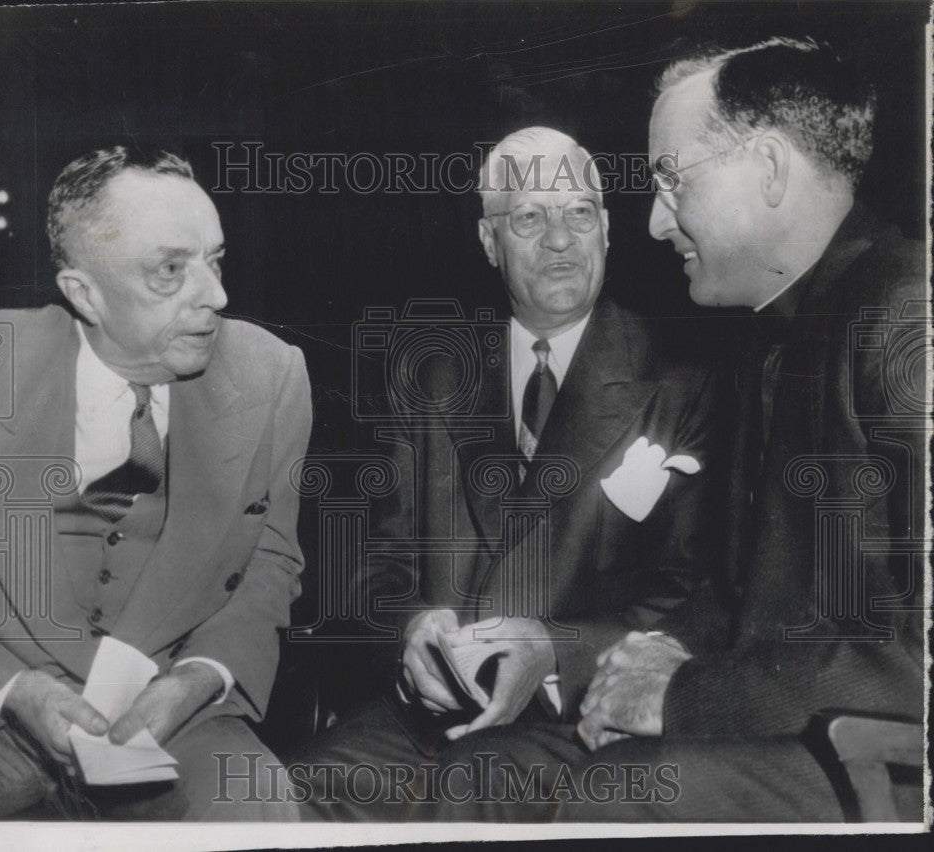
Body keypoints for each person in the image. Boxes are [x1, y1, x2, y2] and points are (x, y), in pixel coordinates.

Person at [438, 38, 926, 822]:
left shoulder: (907, 318)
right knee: (483, 771)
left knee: (617, 794)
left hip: (879, 762)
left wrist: (683, 691)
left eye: (671, 179)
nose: (658, 222)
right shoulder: (757, 341)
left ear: (767, 169)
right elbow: (731, 608)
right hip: (771, 729)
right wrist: (594, 661)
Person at [293, 127, 722, 820]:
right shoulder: (429, 373)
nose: (560, 239)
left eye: (579, 212)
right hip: (422, 720)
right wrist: (408, 631)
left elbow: (695, 597)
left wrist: (554, 654)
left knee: (476, 782)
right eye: (529, 217)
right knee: (287, 792)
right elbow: (377, 564)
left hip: (581, 721)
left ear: (609, 230)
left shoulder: (684, 379)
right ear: (490, 242)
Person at [0, 147, 311, 821]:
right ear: (83, 293)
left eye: (215, 260)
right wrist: (10, 690)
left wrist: (197, 678)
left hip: (170, 712)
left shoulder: (271, 375)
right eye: (171, 271)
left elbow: (271, 560)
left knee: (258, 807)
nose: (216, 296)